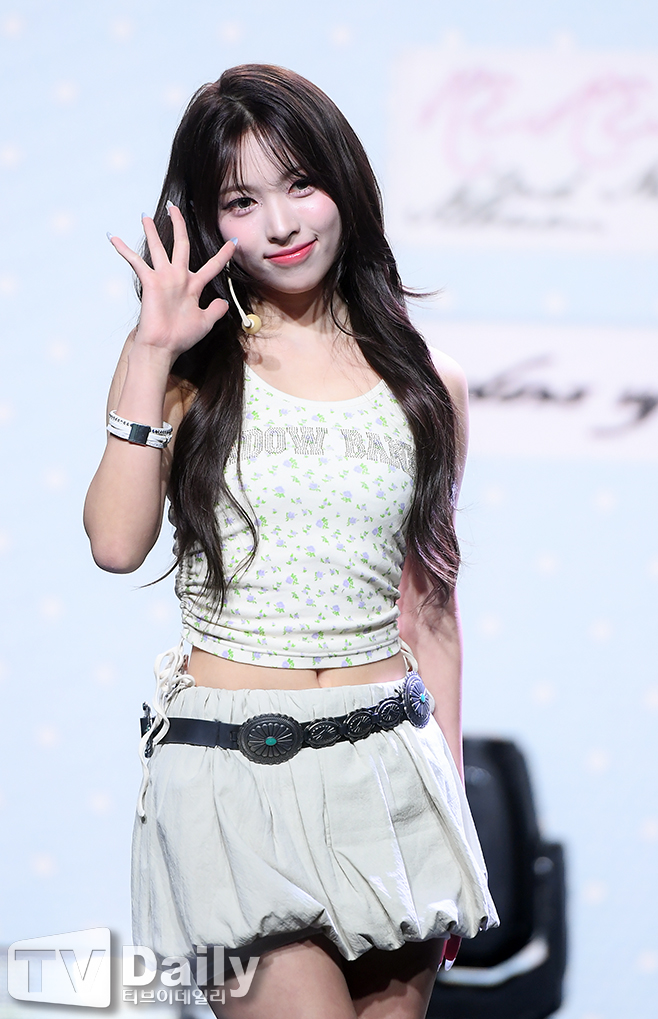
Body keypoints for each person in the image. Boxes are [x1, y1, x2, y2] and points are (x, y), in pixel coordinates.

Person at [84, 64, 497, 1019]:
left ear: (343, 182)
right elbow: (114, 542)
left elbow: (432, 612)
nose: (280, 223)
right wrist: (149, 352)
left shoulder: (428, 380)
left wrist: (451, 809)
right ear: (207, 217)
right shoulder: (183, 366)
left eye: (300, 183)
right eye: (243, 201)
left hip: (392, 775)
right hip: (234, 779)